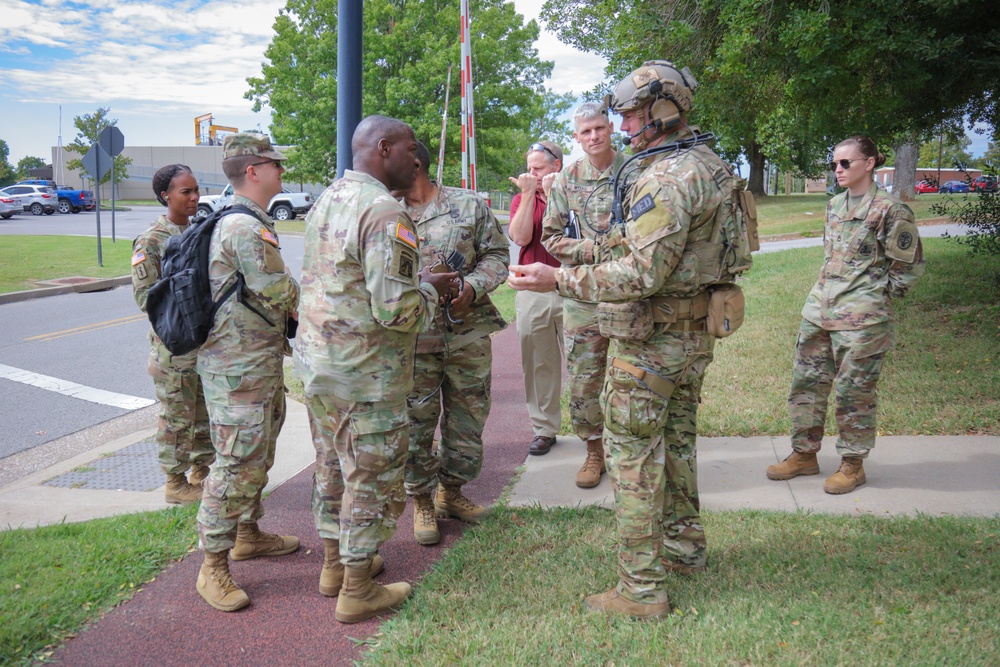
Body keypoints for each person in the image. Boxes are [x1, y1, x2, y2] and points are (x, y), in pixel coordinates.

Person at [510, 60, 734, 618]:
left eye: (631, 115)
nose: (624, 125)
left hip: (653, 339)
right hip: (691, 334)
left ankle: (640, 589)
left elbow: (642, 274)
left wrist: (556, 277)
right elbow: (646, 243)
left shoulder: (665, 176)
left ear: (662, 110)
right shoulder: (706, 163)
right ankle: (685, 548)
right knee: (677, 443)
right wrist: (588, 249)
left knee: (631, 455)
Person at [293, 116, 457, 623]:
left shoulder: (328, 198)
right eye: (410, 149)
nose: (417, 158)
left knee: (332, 466)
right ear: (383, 148)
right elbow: (397, 310)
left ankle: (333, 567)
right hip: (366, 373)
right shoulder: (386, 212)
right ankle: (358, 589)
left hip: (320, 367)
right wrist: (434, 287)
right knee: (371, 478)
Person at [767, 135, 924, 494]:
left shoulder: (891, 209)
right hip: (819, 311)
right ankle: (803, 455)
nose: (837, 170)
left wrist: (873, 299)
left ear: (868, 164)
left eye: (845, 163)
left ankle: (853, 464)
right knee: (805, 386)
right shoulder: (835, 205)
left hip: (862, 320)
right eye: (835, 164)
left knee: (855, 393)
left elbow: (908, 269)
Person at [194, 133, 301, 612]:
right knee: (236, 461)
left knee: (257, 453)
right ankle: (212, 568)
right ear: (253, 171)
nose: (281, 171)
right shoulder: (242, 227)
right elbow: (276, 287)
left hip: (252, 363)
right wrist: (327, 301)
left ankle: (247, 534)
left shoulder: (243, 220)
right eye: (274, 164)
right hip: (236, 370)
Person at [392, 141, 509, 546]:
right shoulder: (385, 211)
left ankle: (451, 492)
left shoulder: (469, 205)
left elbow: (497, 255)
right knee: (416, 422)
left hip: (467, 333)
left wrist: (473, 288)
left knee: (468, 420)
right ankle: (421, 499)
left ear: (416, 164)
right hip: (413, 338)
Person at [542, 102, 628, 488]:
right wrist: (591, 250)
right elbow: (551, 238)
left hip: (629, 292)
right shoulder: (564, 181)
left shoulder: (635, 171)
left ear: (611, 129)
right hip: (581, 298)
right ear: (576, 138)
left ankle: (630, 449)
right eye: (585, 132)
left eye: (599, 129)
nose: (593, 137)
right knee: (583, 380)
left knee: (633, 377)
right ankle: (594, 451)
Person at [131, 164, 214, 505]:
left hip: (203, 343)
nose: (194, 197)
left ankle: (202, 472)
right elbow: (144, 297)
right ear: (166, 196)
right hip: (174, 346)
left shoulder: (199, 230)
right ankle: (175, 483)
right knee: (176, 416)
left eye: (196, 190)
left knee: (203, 413)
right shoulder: (152, 239)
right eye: (186, 192)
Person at [508, 140, 564, 456]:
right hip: (533, 289)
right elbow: (520, 237)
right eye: (529, 168)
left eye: (538, 168)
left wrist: (557, 193)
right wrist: (529, 193)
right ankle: (544, 429)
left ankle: (594, 431)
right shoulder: (521, 198)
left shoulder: (576, 192)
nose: (531, 173)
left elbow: (576, 230)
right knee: (538, 360)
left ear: (556, 166)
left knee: (587, 360)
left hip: (572, 286)